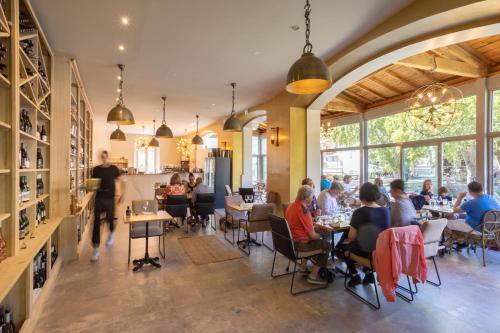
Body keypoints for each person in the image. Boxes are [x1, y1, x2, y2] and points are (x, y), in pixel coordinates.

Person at [337, 182, 390, 287]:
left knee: (342, 247)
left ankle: (354, 275)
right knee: (365, 242)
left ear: (362, 196)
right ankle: (368, 273)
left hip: (369, 253)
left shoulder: (359, 212)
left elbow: (351, 237)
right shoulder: (385, 210)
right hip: (383, 250)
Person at [285, 185, 331, 285]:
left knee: (317, 240)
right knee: (326, 245)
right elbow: (312, 236)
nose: (313, 198)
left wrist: (314, 228)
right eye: (312, 196)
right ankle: (313, 276)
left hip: (291, 241)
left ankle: (302, 267)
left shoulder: (292, 205)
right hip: (300, 244)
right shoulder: (304, 210)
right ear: (306, 198)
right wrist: (321, 235)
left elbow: (299, 225)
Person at [90, 150, 126, 262]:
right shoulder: (96, 170)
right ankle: (95, 250)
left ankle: (112, 232)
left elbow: (123, 181)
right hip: (99, 198)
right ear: (100, 157)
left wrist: (122, 195)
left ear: (108, 157)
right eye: (102, 157)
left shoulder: (114, 169)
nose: (104, 158)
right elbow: (93, 184)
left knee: (110, 219)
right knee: (96, 222)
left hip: (110, 199)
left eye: (105, 157)